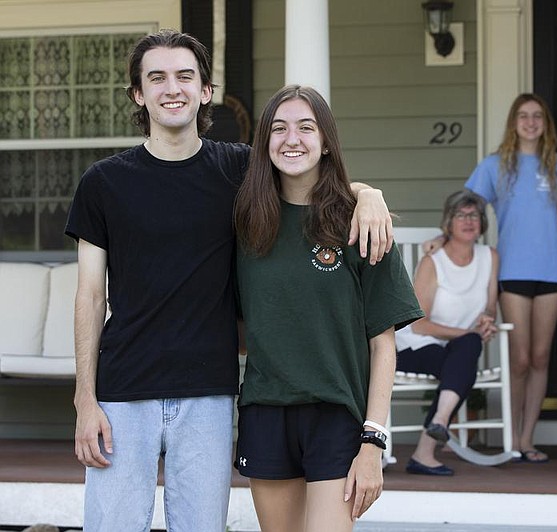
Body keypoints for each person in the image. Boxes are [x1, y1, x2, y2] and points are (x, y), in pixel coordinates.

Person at [65, 30, 393, 531]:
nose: (171, 88)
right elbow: (89, 298)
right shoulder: (103, 183)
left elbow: (305, 173)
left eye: (184, 76)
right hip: (122, 393)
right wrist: (85, 399)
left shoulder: (240, 170)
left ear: (205, 91)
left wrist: (369, 193)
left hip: (209, 395)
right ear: (138, 94)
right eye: (156, 77)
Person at [233, 85, 424, 531]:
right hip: (266, 410)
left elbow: (384, 346)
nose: (291, 138)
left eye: (306, 126)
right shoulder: (245, 222)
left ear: (326, 141)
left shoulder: (361, 223)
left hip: (336, 414)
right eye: (278, 128)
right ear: (264, 143)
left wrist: (373, 440)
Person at [465, 93, 557, 463]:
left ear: (546, 123)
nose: (530, 122)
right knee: (518, 359)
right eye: (523, 116)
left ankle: (528, 438)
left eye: (537, 116)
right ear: (513, 123)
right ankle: (511, 438)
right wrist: (444, 239)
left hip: (552, 274)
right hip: (512, 271)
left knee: (540, 356)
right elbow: (468, 210)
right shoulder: (494, 166)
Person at [395, 190, 499, 476]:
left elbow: (489, 306)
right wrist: (467, 332)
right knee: (464, 355)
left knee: (466, 349)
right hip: (413, 346)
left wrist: (486, 321)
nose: (468, 221)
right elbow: (418, 324)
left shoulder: (489, 257)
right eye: (460, 215)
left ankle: (438, 424)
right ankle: (427, 447)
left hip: (455, 347)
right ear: (448, 223)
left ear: (482, 223)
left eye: (474, 215)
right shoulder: (433, 262)